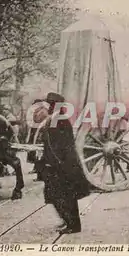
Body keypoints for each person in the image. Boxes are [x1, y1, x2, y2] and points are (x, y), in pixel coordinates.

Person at [35, 92, 90, 234]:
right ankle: (68, 221)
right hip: (58, 165)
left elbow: (59, 146)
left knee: (66, 196)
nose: (46, 106)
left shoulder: (59, 119)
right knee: (56, 195)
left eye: (48, 104)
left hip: (63, 166)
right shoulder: (55, 118)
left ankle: (73, 226)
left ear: (53, 105)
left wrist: (54, 163)